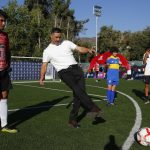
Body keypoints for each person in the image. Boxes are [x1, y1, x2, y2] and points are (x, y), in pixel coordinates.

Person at [40, 27, 102, 128]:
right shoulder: (47, 51)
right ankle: (93, 108)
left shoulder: (67, 43)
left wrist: (88, 50)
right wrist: (42, 77)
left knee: (78, 94)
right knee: (77, 89)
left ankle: (72, 120)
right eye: (56, 37)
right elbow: (44, 65)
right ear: (51, 36)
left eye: (59, 37)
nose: (58, 39)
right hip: (64, 72)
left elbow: (79, 49)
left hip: (76, 69)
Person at [0, 9, 17, 133]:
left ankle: (4, 125)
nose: (3, 23)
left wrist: (8, 65)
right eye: (1, 20)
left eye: (4, 21)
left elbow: (8, 51)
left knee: (4, 96)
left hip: (3, 70)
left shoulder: (5, 35)